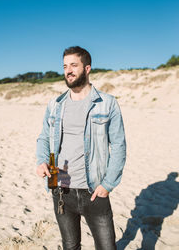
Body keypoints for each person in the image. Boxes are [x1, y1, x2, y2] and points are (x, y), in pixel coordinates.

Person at [36, 46, 126, 250]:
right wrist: (41, 160)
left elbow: (119, 146)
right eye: (65, 66)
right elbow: (43, 138)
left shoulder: (107, 104)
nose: (68, 70)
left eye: (74, 65)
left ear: (87, 68)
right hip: (61, 185)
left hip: (94, 189)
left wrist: (108, 184)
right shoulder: (55, 105)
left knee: (106, 247)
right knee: (70, 245)